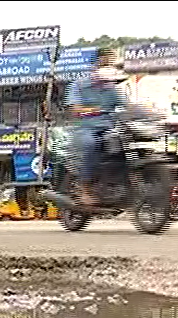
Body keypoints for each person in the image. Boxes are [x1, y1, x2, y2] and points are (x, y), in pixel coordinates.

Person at [63, 48, 128, 207]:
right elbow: (75, 110)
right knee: (91, 144)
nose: (108, 65)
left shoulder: (112, 88)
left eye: (111, 63)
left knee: (128, 143)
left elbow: (127, 106)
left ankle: (119, 184)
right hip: (85, 129)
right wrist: (95, 110)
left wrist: (149, 112)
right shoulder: (79, 85)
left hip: (109, 129)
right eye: (105, 62)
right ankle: (84, 188)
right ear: (96, 64)